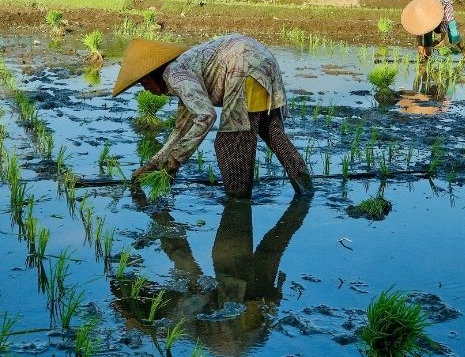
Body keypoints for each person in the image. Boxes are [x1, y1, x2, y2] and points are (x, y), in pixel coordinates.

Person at [112, 35, 314, 199]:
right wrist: (153, 163)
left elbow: (206, 116)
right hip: (260, 60)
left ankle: (237, 205)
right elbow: (181, 129)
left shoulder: (174, 75)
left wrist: (177, 159)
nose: (147, 89)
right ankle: (305, 190)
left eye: (145, 84)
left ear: (153, 74)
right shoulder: (183, 71)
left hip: (242, 67)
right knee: (273, 134)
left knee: (231, 142)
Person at [111, 195, 310, 354]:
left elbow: (182, 257)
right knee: (251, 249)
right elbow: (182, 259)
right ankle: (298, 201)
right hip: (247, 316)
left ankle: (295, 206)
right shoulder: (173, 320)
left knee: (267, 248)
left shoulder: (173, 321)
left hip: (249, 317)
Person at [401, 0, 465, 62]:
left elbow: (444, 27)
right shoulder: (419, 13)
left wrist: (440, 40)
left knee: (454, 35)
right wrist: (420, 45)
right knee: (427, 38)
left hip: (443, 3)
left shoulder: (440, 13)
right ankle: (426, 59)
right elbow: (419, 30)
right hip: (426, 6)